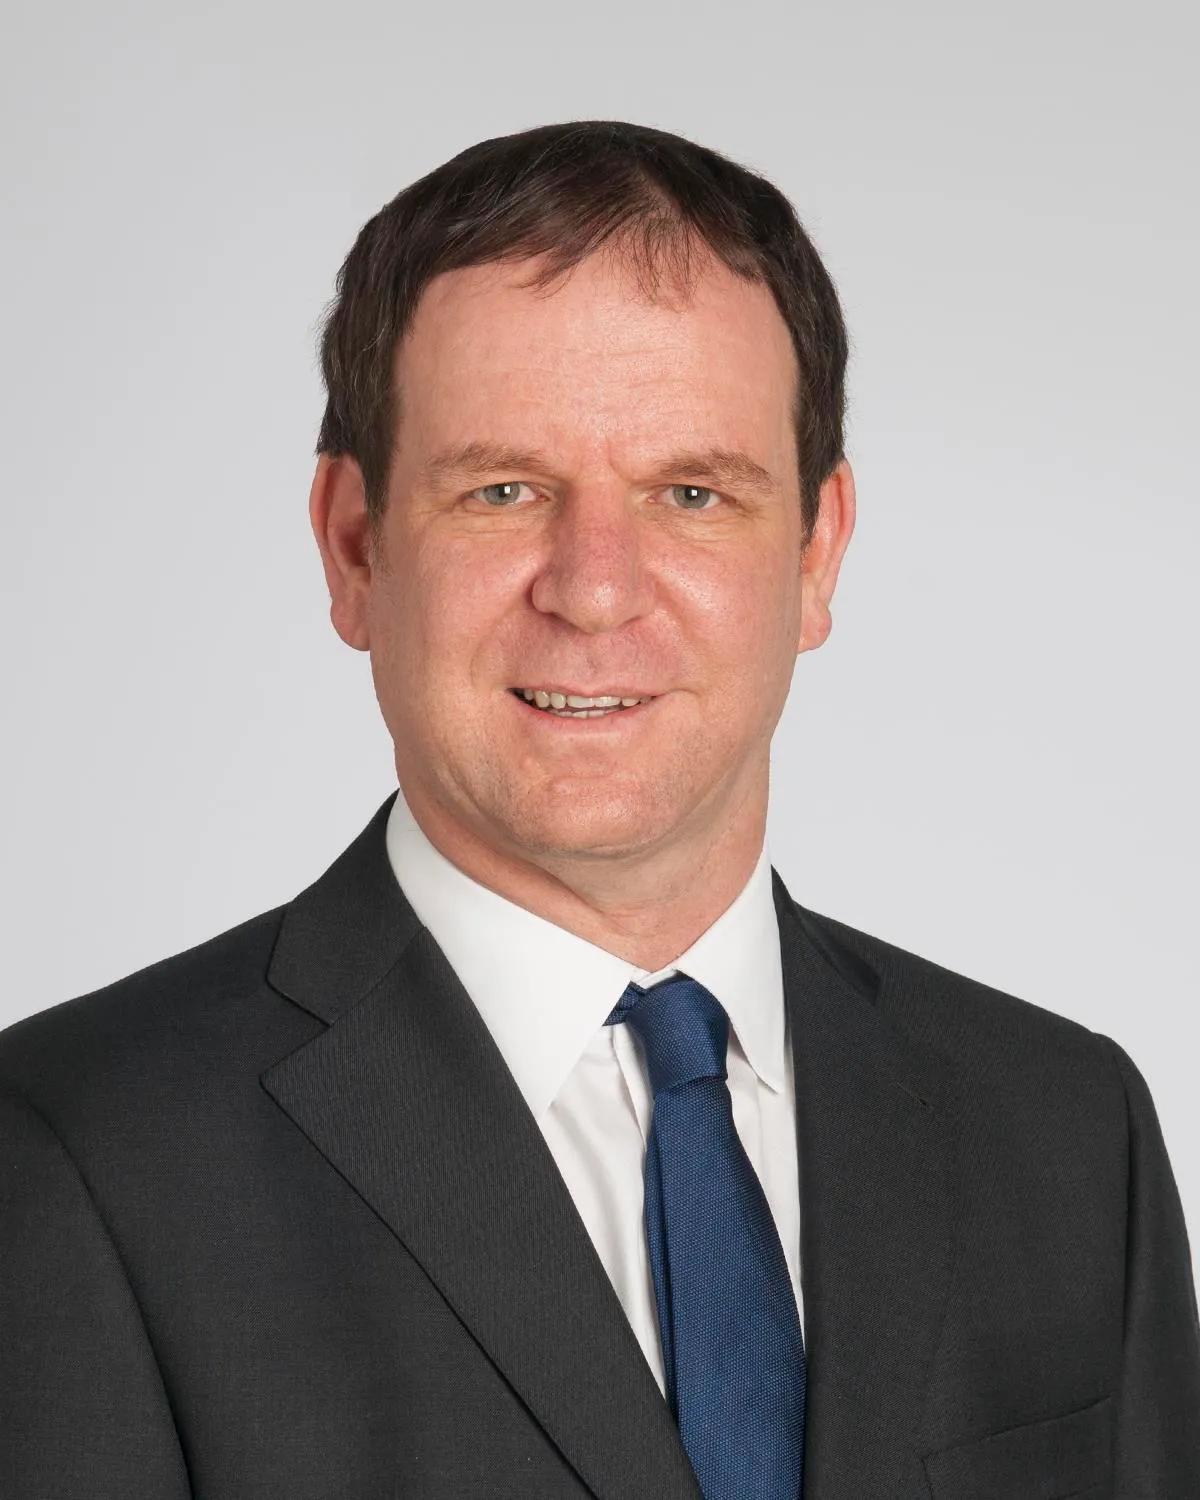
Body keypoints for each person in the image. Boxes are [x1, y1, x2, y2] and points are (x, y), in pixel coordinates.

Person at [1, 119, 1196, 1500]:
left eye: (693, 493)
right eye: (503, 490)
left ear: (817, 552)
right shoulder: (74, 1160)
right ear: (354, 546)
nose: (594, 587)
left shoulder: (1066, 1132)